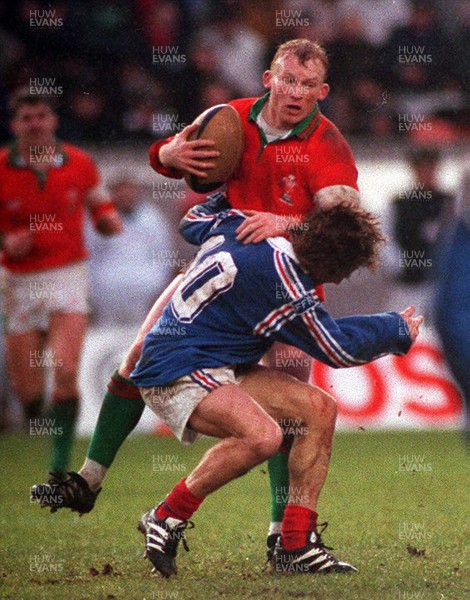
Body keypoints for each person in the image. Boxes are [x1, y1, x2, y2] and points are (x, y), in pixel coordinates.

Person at [30, 39, 362, 560]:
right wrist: (167, 153)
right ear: (268, 78)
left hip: (285, 282)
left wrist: (288, 222)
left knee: (296, 408)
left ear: (322, 91)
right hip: (220, 272)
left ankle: (282, 534)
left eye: (307, 85)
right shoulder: (230, 119)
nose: (295, 93)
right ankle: (89, 481)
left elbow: (345, 223)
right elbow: (169, 157)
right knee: (141, 354)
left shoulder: (328, 144)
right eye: (287, 80)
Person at [33, 196, 423, 577]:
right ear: (338, 266)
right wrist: (394, 329)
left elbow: (193, 220)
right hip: (177, 368)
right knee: (264, 437)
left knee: (318, 409)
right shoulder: (284, 285)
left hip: (214, 361)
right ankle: (166, 516)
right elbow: (336, 347)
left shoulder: (244, 228)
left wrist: (226, 199)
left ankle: (294, 546)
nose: (342, 279)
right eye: (348, 270)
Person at [0, 89, 122, 478]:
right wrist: (5, 242)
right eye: (26, 118)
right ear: (14, 124)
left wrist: (107, 220)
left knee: (66, 369)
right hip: (18, 281)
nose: (35, 124)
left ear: (53, 120)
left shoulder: (81, 163)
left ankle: (58, 467)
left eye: (41, 116)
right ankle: (36, 411)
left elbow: (98, 202)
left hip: (67, 273)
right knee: (29, 394)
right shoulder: (1, 167)